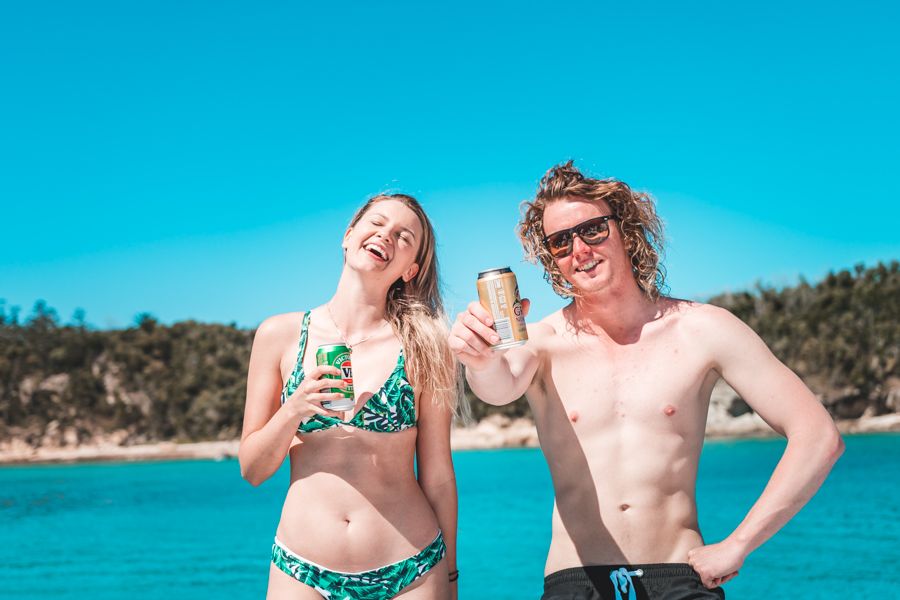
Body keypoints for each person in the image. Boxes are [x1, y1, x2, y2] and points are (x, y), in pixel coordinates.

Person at [449, 162, 844, 600]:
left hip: (678, 579)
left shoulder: (705, 330)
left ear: (626, 230)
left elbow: (818, 435)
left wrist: (738, 545)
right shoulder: (541, 342)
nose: (578, 249)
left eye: (593, 230)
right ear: (551, 258)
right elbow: (497, 388)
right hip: (576, 582)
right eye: (560, 242)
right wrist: (478, 359)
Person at [241, 193, 460, 600]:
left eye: (404, 236)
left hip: (410, 568)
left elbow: (439, 476)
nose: (386, 236)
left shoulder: (427, 346)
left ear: (411, 269)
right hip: (301, 570)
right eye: (376, 223)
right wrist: (293, 409)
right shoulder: (279, 336)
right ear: (349, 235)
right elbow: (252, 469)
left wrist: (450, 577)